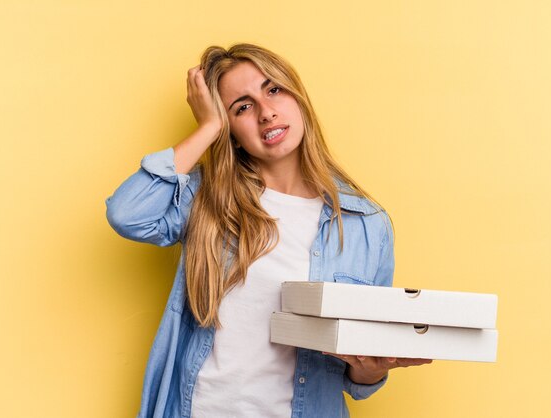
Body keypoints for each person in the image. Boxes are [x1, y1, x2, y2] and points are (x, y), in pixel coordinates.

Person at [106, 43, 431, 418]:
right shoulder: (207, 199)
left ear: (298, 97)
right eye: (241, 107)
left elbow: (357, 370)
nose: (266, 112)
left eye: (273, 89)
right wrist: (208, 127)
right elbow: (127, 213)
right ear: (230, 131)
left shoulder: (366, 224)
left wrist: (368, 371)